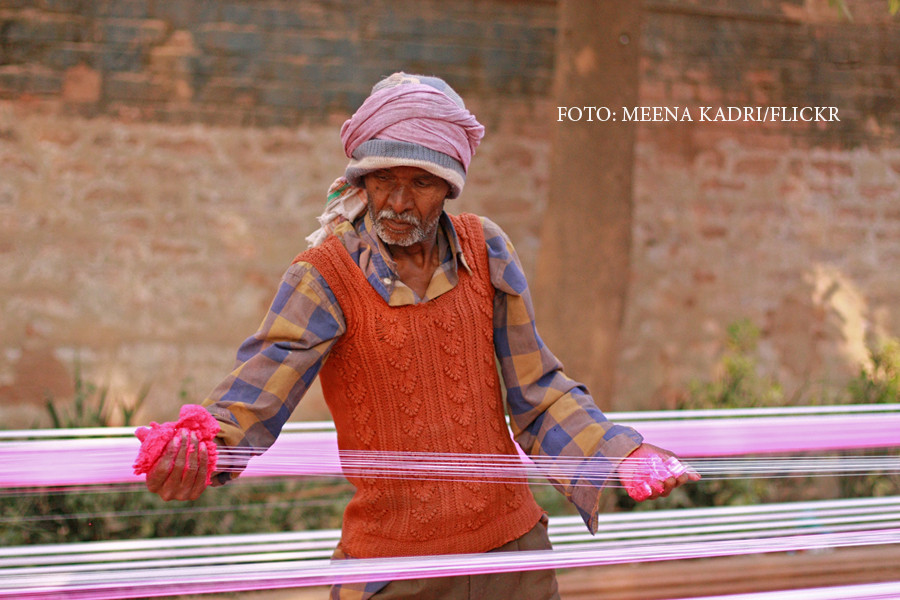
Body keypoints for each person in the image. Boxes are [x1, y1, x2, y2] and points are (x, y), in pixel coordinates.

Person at [142, 72, 700, 600]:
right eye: (383, 179)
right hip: (396, 574)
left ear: (450, 186)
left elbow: (538, 392)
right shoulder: (324, 277)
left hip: (513, 562)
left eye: (421, 182)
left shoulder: (487, 250)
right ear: (361, 180)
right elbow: (256, 393)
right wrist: (200, 449)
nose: (398, 202)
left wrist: (617, 456)